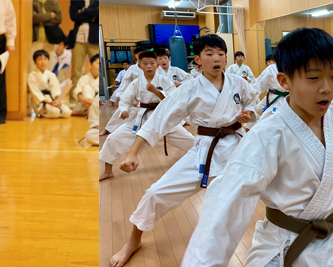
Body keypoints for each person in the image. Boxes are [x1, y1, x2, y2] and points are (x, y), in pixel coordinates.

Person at [181, 27, 333, 267]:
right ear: (284, 81)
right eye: (313, 78)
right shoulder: (268, 134)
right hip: (287, 242)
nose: (327, 87)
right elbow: (224, 208)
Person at [107, 34, 260, 267]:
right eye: (209, 54)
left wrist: (248, 114)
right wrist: (133, 152)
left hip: (238, 147)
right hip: (205, 148)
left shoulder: (238, 83)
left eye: (220, 54)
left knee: (246, 197)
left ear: (226, 58)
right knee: (155, 193)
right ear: (197, 59)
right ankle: (133, 241)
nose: (216, 58)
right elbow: (160, 117)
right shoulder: (189, 88)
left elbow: (252, 103)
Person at [97, 50, 191, 181]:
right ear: (139, 66)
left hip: (162, 117)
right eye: (145, 63)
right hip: (141, 117)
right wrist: (124, 109)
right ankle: (107, 171)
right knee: (114, 138)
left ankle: (203, 162)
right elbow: (125, 99)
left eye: (152, 63)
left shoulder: (165, 81)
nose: (149, 66)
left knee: (189, 141)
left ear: (157, 65)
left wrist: (157, 92)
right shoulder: (136, 83)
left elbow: (173, 99)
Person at [29, 50, 69, 118]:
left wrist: (56, 101)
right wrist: (49, 102)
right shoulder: (32, 75)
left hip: (52, 99)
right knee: (55, 112)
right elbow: (35, 92)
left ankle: (55, 109)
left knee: (67, 112)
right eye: (40, 59)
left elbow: (55, 89)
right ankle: (45, 111)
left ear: (48, 61)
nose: (43, 62)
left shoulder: (51, 75)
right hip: (41, 101)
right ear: (35, 62)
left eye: (45, 59)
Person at [72, 54, 101, 146]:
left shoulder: (103, 79)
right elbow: (78, 92)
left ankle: (87, 113)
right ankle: (88, 112)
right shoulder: (84, 78)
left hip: (99, 108)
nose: (99, 66)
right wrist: (85, 101)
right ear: (90, 65)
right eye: (97, 63)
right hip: (86, 104)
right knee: (86, 88)